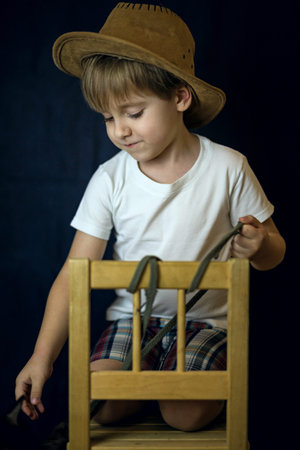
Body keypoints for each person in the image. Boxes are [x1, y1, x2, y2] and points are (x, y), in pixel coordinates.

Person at [15, 2, 286, 432]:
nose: (119, 130)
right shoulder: (109, 179)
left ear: (180, 97)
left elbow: (274, 253)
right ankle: (140, 386)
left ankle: (164, 393)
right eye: (108, 117)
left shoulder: (229, 167)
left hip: (204, 322)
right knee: (101, 404)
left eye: (134, 113)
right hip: (133, 319)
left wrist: (260, 245)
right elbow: (73, 273)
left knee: (184, 414)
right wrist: (41, 357)